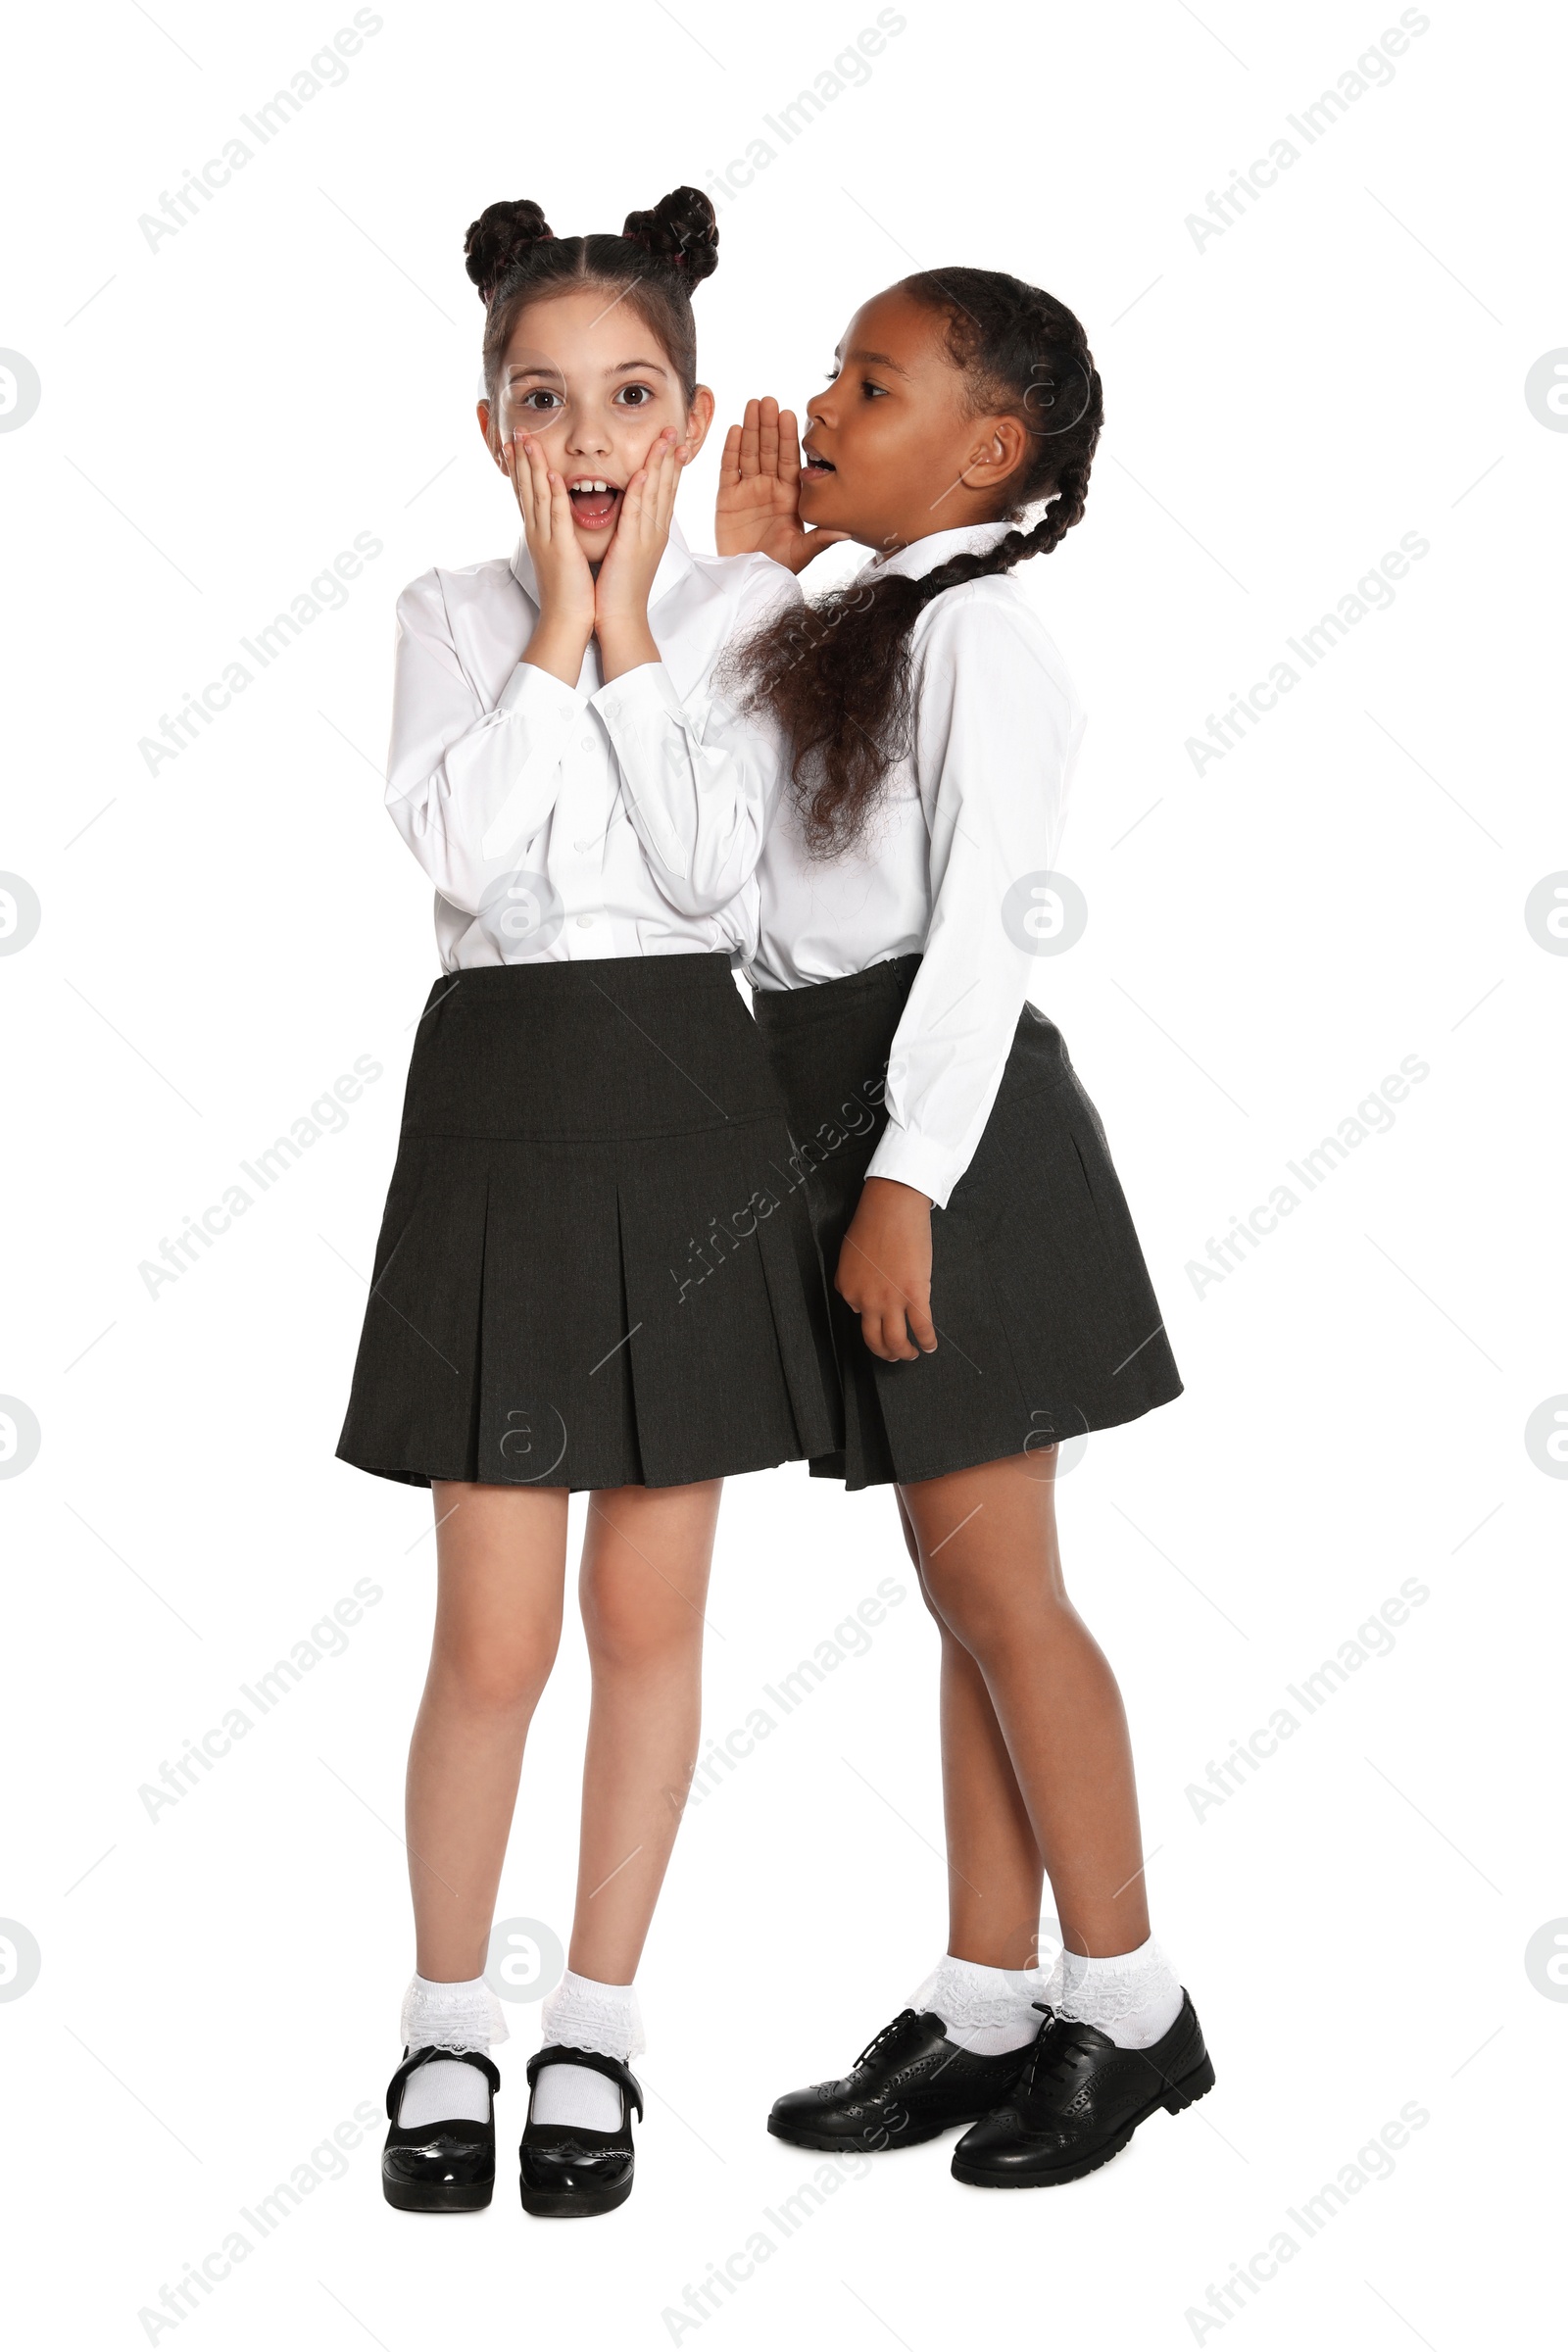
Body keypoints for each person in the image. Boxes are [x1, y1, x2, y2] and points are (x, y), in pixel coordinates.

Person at [336, 187, 837, 2219]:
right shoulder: (445, 619)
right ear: (493, 432)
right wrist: (555, 620)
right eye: (547, 401)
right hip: (504, 1106)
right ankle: (448, 2020)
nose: (595, 435)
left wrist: (634, 624)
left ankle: (599, 2035)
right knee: (490, 1636)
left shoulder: (738, 619)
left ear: (685, 406)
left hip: (686, 1114)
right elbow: (460, 849)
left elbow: (719, 878)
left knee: (650, 1615)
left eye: (631, 395)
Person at [710, 270, 1212, 2188]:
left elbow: (989, 921)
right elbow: (738, 851)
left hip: (951, 1134)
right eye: (834, 371)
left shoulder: (983, 636)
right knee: (964, 1593)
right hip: (845, 1105)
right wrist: (752, 569)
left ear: (986, 452)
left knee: (1005, 1595)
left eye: (872, 383)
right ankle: (991, 2000)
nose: (821, 404)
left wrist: (903, 1182)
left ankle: (1139, 2013)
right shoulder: (863, 624)